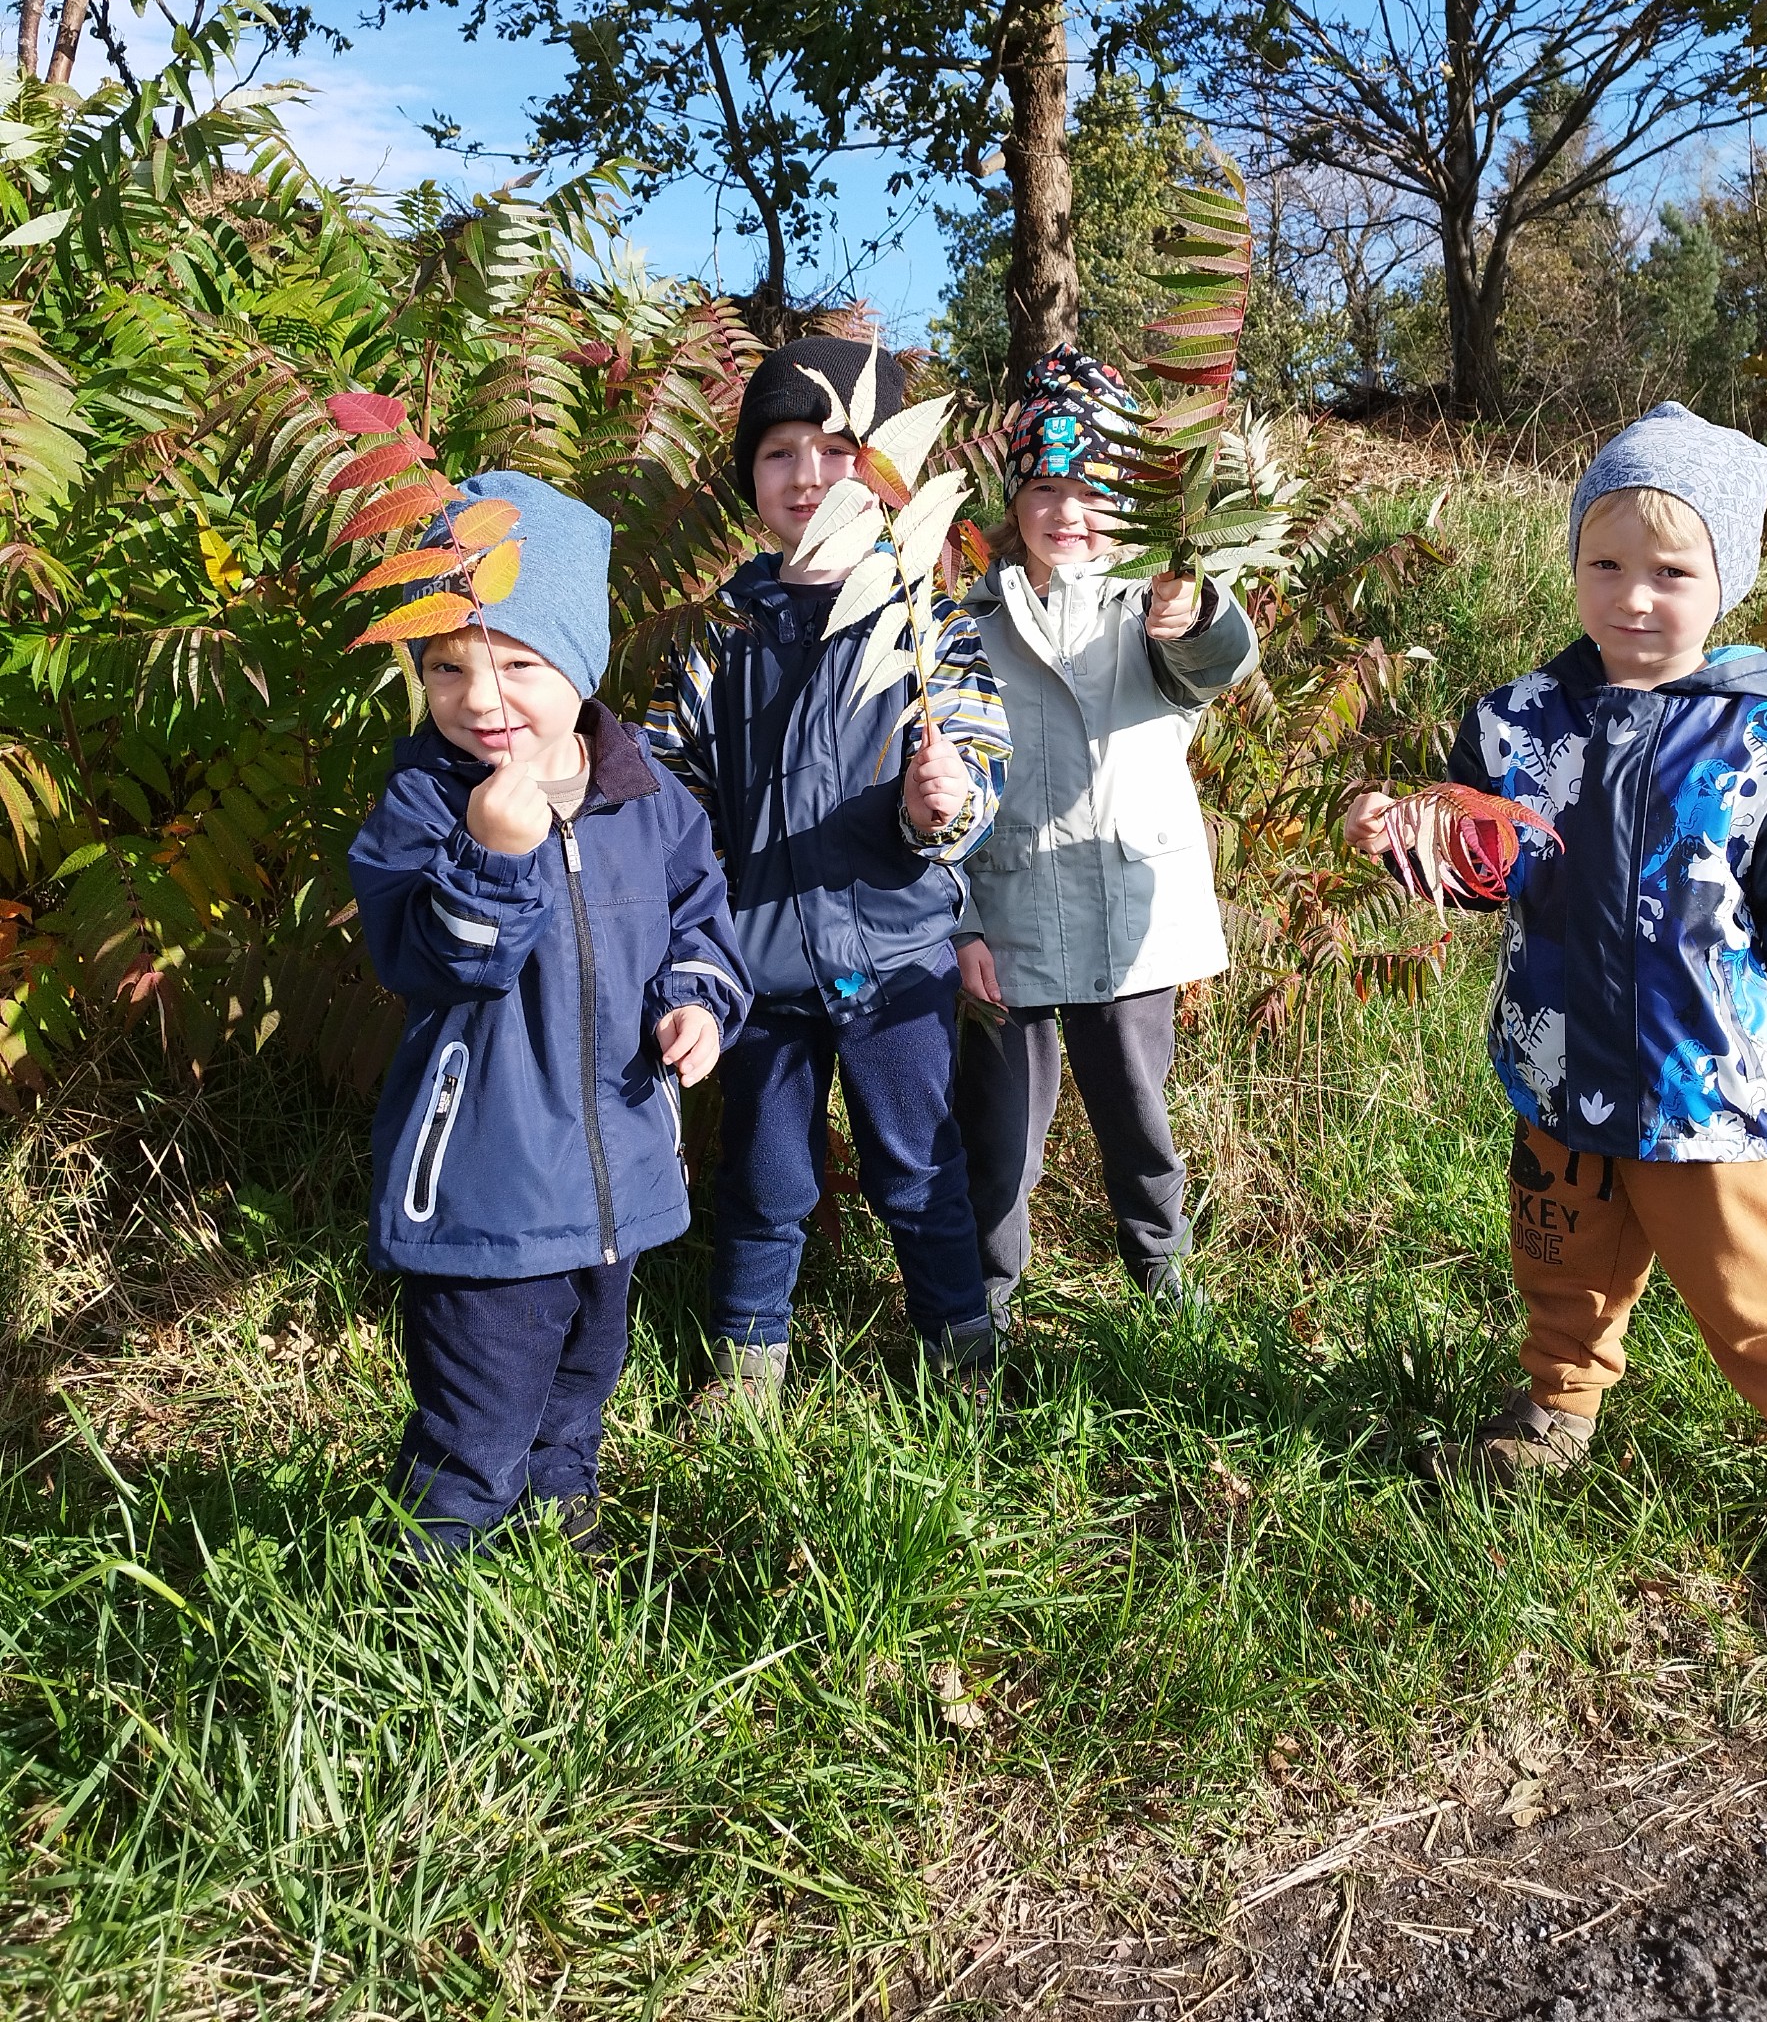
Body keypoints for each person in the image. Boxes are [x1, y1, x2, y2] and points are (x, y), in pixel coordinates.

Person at [1345, 402, 1767, 1669]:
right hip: (1557, 1070)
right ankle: (1559, 1403)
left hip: (1701, 1093)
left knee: (1764, 1302)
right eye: (1605, 562)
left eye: (1671, 570)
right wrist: (1404, 836)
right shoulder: (1516, 722)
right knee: (1562, 1264)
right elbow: (1485, 869)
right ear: (1573, 564)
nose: (1634, 597)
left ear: (1727, 580)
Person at [349, 471, 750, 1557]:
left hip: (617, 1172)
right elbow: (430, 963)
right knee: (477, 1414)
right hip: (488, 1183)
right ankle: (433, 1583)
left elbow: (700, 918)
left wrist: (696, 1001)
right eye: (447, 666)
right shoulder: (425, 804)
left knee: (584, 1375)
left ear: (580, 660)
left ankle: (561, 1517)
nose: (481, 699)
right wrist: (491, 858)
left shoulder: (646, 793)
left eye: (517, 663)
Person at [644, 337, 1011, 1405]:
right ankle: (746, 1363)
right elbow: (674, 789)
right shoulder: (721, 632)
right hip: (757, 969)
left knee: (920, 1164)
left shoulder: (926, 622)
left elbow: (978, 766)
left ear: (882, 476)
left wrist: (939, 807)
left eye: (836, 451)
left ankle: (962, 1354)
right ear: (750, 479)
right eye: (778, 452)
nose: (807, 475)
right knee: (764, 1176)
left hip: (894, 960)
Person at [952, 348, 1258, 1324]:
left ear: (1127, 500)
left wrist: (1196, 610)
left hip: (1130, 915)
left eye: (1091, 488)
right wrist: (961, 921)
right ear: (1015, 501)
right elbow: (945, 784)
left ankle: (1164, 1282)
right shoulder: (972, 625)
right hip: (1009, 915)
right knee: (1001, 1135)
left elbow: (1215, 662)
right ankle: (984, 1304)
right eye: (1045, 487)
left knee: (1138, 1119)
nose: (1067, 510)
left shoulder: (1151, 609)